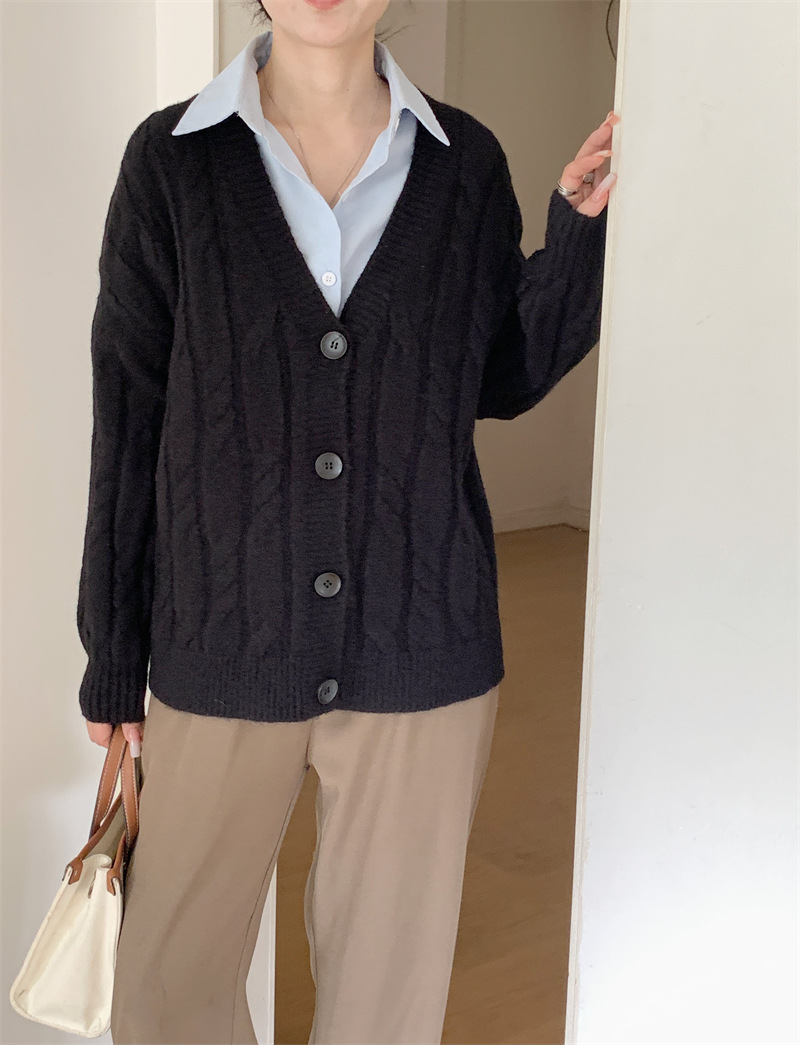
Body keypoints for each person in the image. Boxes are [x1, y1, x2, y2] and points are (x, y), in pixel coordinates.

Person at [77, 0, 618, 1040]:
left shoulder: (463, 164)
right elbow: (130, 412)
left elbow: (499, 373)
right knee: (167, 989)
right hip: (220, 642)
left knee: (386, 1004)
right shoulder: (172, 161)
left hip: (421, 645)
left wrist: (577, 240)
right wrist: (114, 652)